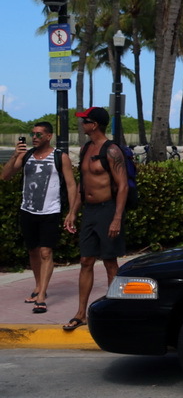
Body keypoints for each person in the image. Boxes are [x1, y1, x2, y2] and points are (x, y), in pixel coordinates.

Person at [63, 107, 129, 331]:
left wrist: (117, 218)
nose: (82, 125)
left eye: (85, 121)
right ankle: (81, 313)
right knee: (85, 261)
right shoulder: (85, 149)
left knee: (110, 262)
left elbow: (122, 186)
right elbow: (83, 183)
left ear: (95, 125)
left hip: (108, 210)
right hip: (89, 211)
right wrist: (73, 211)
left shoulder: (112, 151)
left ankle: (116, 312)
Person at [1, 122, 77, 314]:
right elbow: (5, 176)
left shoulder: (60, 157)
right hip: (27, 211)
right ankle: (37, 286)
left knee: (45, 252)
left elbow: (71, 185)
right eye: (32, 134)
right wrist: (15, 155)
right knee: (33, 251)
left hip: (50, 212)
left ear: (49, 136)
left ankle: (42, 295)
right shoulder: (26, 155)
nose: (34, 137)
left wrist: (72, 212)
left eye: (39, 134)